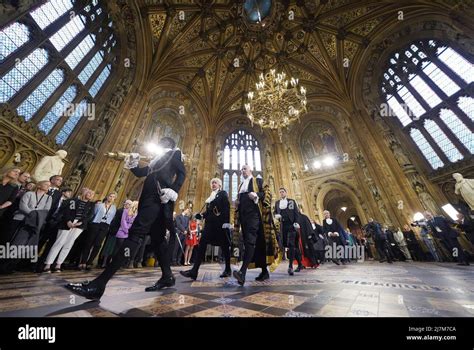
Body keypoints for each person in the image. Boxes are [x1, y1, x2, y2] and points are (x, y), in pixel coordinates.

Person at [65, 137, 186, 299]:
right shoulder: (157, 160)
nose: (159, 143)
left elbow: (182, 172)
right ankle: (167, 276)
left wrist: (174, 190)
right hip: (148, 200)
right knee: (158, 239)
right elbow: (142, 173)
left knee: (135, 235)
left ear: (169, 144)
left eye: (163, 141)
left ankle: (99, 285)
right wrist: (134, 164)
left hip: (158, 199)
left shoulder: (174, 154)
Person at [232, 165, 280, 286]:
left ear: (250, 170)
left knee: (250, 241)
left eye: (244, 169)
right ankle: (264, 271)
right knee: (258, 243)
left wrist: (257, 195)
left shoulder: (258, 181)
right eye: (241, 169)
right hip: (244, 218)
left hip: (254, 216)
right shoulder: (240, 186)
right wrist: (237, 203)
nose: (242, 171)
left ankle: (242, 273)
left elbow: (268, 194)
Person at [180, 178, 231, 280]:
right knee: (202, 245)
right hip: (209, 226)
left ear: (220, 185)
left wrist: (226, 223)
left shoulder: (223, 194)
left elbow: (226, 208)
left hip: (219, 225)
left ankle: (228, 269)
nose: (213, 184)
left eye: (215, 183)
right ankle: (194, 271)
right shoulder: (210, 197)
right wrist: (201, 215)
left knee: (225, 247)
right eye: (212, 183)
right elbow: (210, 212)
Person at [43, 188, 95, 272]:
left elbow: (89, 215)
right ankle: (48, 264)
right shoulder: (73, 200)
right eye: (89, 193)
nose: (91, 196)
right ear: (84, 193)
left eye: (92, 194)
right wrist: (68, 221)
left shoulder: (91, 204)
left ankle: (58, 264)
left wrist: (80, 222)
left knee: (68, 244)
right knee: (59, 242)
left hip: (79, 225)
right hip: (67, 223)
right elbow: (66, 211)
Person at [78, 192, 117, 270]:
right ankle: (83, 262)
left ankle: (89, 262)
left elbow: (112, 218)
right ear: (107, 196)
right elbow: (93, 214)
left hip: (105, 226)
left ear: (114, 199)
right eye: (110, 196)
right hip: (95, 224)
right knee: (89, 243)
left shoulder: (114, 208)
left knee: (97, 245)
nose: (111, 198)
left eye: (113, 197)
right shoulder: (99, 205)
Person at [274, 187, 304, 275]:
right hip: (283, 226)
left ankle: (290, 266)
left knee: (291, 245)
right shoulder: (277, 203)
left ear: (286, 193)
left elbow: (296, 213)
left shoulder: (291, 201)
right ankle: (300, 264)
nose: (281, 193)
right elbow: (275, 212)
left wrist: (297, 222)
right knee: (293, 246)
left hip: (291, 226)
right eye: (280, 192)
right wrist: (276, 216)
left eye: (283, 192)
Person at [100, 199, 132, 268]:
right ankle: (103, 262)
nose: (128, 206)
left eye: (130, 205)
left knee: (114, 249)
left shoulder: (128, 212)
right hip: (115, 231)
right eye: (127, 204)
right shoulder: (121, 211)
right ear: (124, 204)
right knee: (109, 247)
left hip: (120, 233)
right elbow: (122, 222)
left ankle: (109, 262)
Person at [114, 201, 138, 266]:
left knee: (127, 248)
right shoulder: (126, 210)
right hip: (122, 231)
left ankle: (123, 262)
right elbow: (123, 221)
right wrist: (126, 230)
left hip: (130, 232)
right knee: (119, 248)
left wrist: (130, 231)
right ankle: (115, 262)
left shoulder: (136, 213)